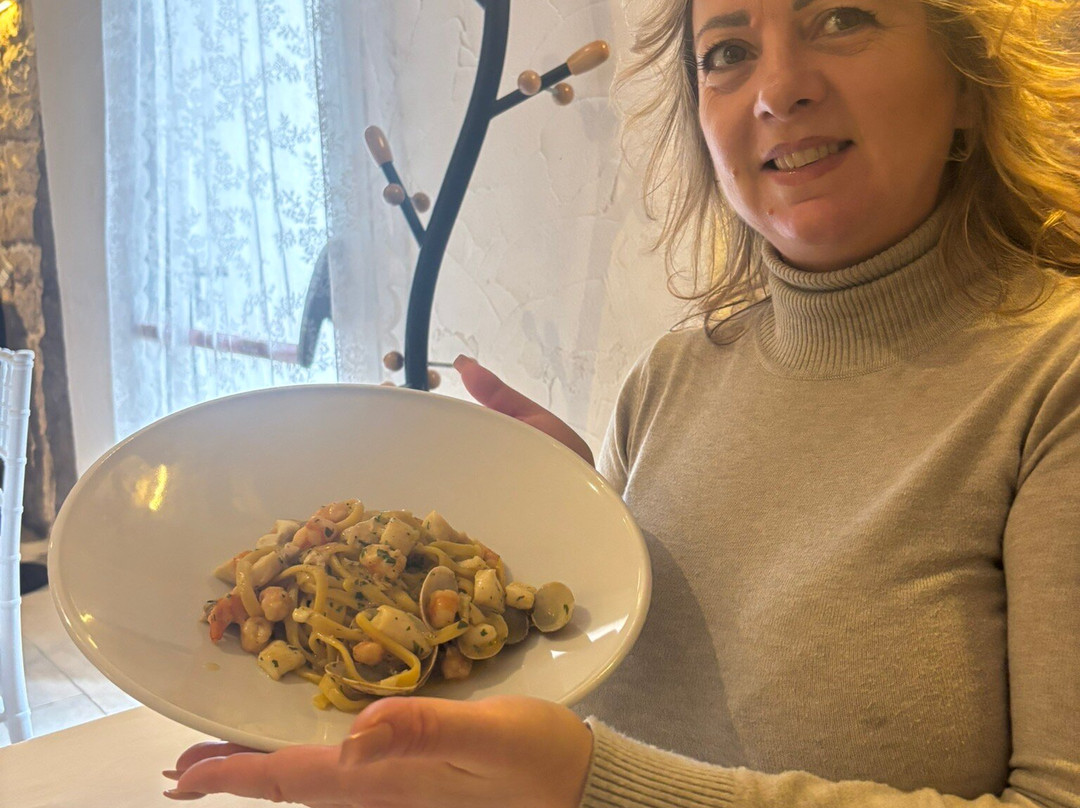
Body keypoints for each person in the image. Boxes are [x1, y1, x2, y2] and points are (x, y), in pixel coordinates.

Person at [164, 0, 1080, 805]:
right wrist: (568, 557)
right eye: (727, 52)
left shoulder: (1055, 378)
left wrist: (590, 791)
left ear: (971, 79)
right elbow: (625, 724)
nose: (778, 89)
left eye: (843, 17)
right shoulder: (671, 380)